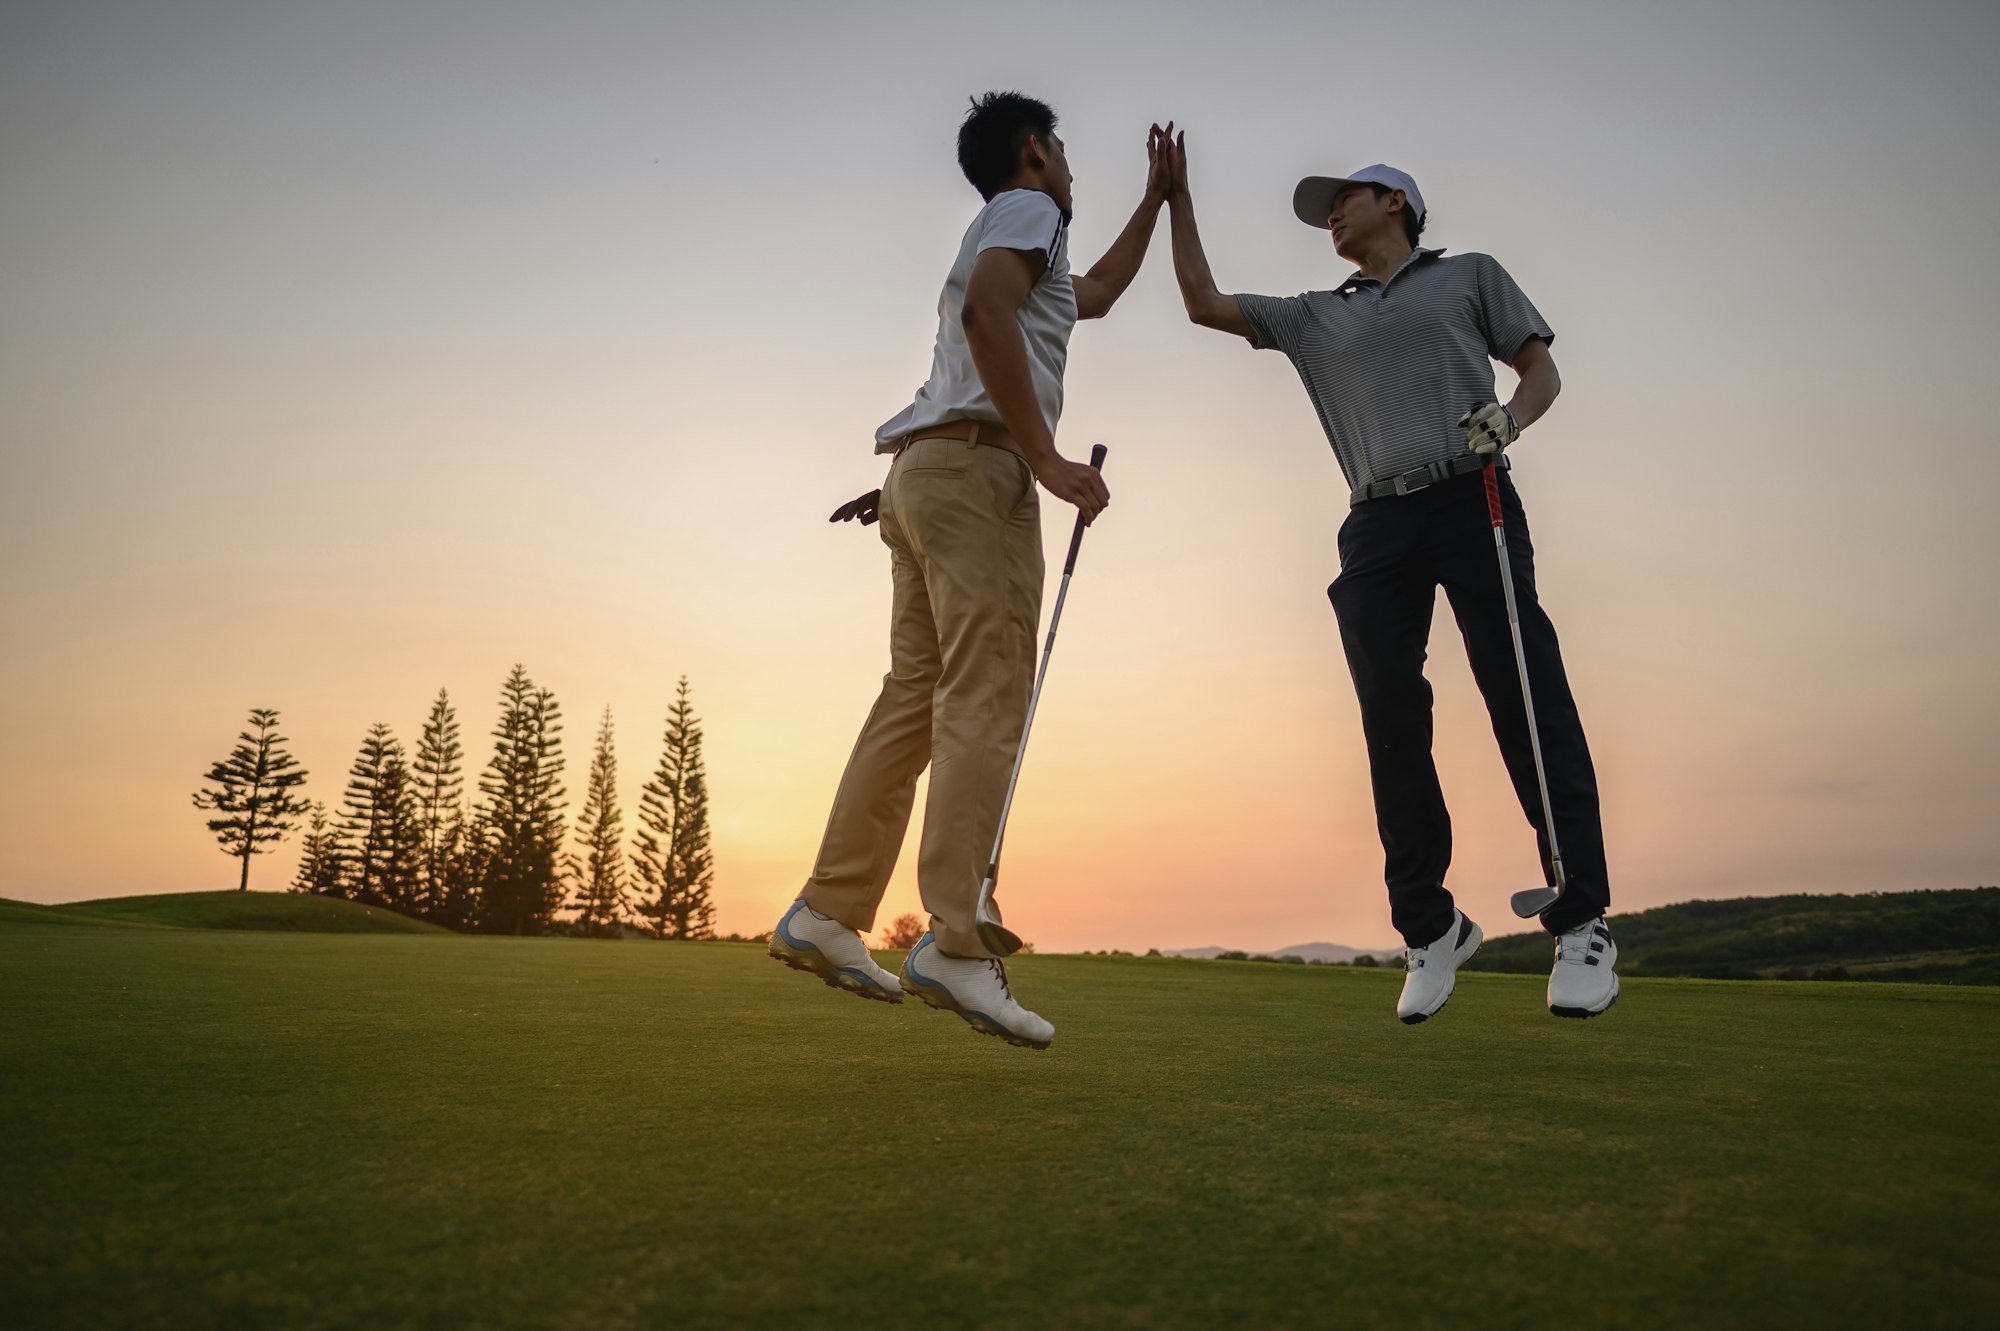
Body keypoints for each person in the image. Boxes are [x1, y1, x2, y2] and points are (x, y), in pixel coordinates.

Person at [1163, 133, 1618, 1023]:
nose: (1331, 212)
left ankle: (1582, 917)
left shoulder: (1469, 275)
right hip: (1374, 518)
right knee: (1390, 717)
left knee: (1523, 692)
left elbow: (1540, 369)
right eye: (1326, 205)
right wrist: (1179, 200)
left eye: (1347, 197)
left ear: (1397, 203)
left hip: (1471, 491)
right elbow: (1202, 303)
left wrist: (1510, 419)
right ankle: (1431, 924)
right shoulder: (1310, 315)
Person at [768, 93, 1173, 1050]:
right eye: (1064, 150)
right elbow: (990, 314)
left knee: (912, 694)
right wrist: (1043, 457)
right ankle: (953, 937)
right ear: (1034, 152)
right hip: (977, 470)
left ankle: (828, 910)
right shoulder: (1028, 210)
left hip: (924, 471)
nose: (1071, 166)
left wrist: (1155, 202)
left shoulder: (1020, 234)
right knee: (985, 690)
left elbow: (1096, 294)